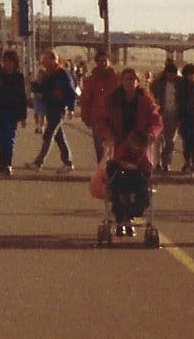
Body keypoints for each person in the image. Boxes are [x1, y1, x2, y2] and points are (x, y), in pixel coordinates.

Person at [93, 67, 163, 236]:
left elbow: (156, 121)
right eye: (126, 79)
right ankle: (120, 218)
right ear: (121, 81)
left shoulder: (146, 101)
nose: (129, 82)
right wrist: (107, 134)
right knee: (117, 186)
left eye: (133, 79)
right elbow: (102, 120)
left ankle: (131, 216)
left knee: (141, 186)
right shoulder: (113, 100)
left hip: (139, 148)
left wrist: (151, 135)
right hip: (119, 148)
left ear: (138, 82)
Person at [27, 51, 77, 171]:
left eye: (45, 59)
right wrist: (32, 83)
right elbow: (43, 89)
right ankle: (68, 163)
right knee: (59, 137)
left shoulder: (62, 74)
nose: (43, 62)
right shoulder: (48, 75)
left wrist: (71, 108)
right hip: (49, 108)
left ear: (53, 60)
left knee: (48, 134)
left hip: (58, 109)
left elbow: (70, 92)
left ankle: (39, 163)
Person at [0, 50, 29, 175]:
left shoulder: (18, 77)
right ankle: (2, 163)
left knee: (9, 139)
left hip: (12, 112)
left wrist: (23, 116)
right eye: (5, 61)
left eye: (10, 61)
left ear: (15, 63)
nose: (7, 63)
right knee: (0, 139)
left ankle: (7, 164)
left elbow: (22, 97)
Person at [77, 50, 120, 163]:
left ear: (109, 61)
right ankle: (102, 172)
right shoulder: (92, 80)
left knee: (116, 148)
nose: (103, 63)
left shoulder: (117, 78)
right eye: (101, 61)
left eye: (105, 61)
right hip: (98, 119)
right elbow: (86, 100)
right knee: (100, 149)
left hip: (115, 119)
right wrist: (86, 117)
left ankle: (114, 172)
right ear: (97, 63)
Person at [151, 61, 181, 173]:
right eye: (169, 74)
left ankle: (166, 162)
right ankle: (157, 163)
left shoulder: (179, 83)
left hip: (174, 115)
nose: (171, 76)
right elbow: (152, 88)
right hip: (160, 114)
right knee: (158, 140)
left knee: (170, 141)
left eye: (173, 74)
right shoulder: (159, 83)